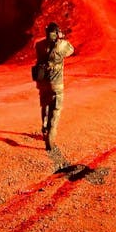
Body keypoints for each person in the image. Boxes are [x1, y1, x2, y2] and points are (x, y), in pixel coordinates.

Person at [33, 22, 75, 152]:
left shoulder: (39, 45)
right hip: (56, 83)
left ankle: (44, 126)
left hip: (42, 82)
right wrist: (61, 38)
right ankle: (50, 136)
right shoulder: (61, 46)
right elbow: (71, 49)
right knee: (55, 109)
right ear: (56, 33)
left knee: (44, 104)